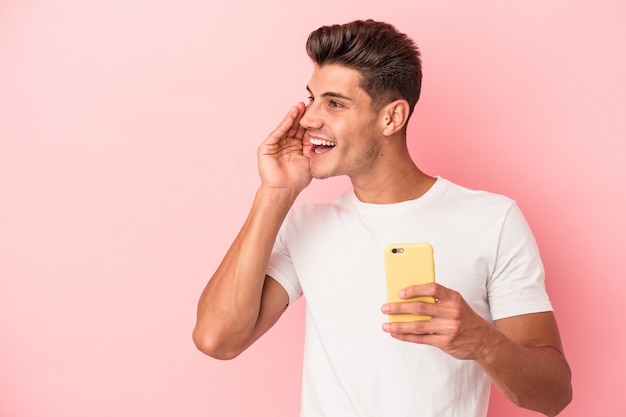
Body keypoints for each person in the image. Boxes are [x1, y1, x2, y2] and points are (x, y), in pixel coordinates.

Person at [193, 19, 572, 417]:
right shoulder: (305, 223)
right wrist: (275, 193)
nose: (308, 119)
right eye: (312, 98)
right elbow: (217, 339)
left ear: (392, 118)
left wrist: (482, 342)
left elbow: (553, 396)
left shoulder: (493, 220)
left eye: (335, 103)